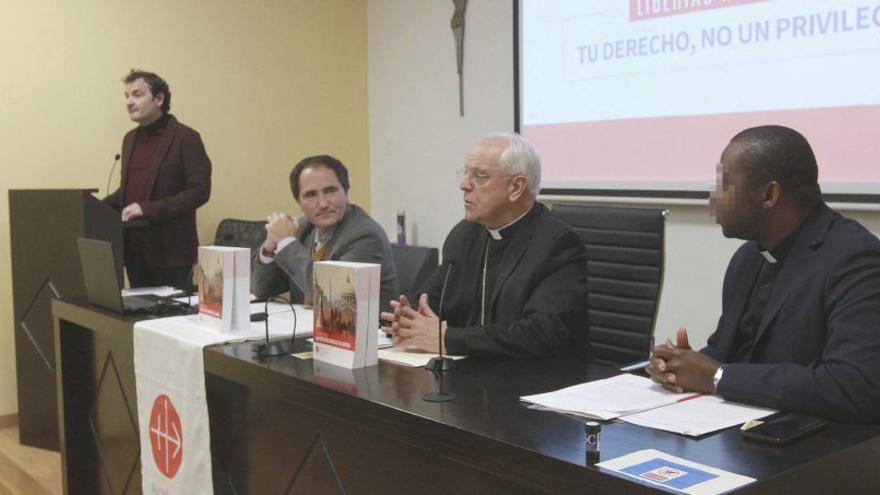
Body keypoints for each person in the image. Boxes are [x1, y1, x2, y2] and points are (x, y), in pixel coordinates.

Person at [646, 125, 880, 423]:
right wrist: (679, 366)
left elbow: (855, 385)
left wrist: (716, 376)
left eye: (725, 185)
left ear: (769, 194)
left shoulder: (854, 260)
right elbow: (725, 350)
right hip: (738, 431)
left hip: (812, 450)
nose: (713, 198)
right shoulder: (748, 257)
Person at [382, 132, 588, 358]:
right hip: (474, 372)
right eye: (466, 173)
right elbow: (430, 297)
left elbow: (542, 332)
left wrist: (449, 339)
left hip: (539, 379)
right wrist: (408, 320)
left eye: (480, 177)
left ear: (516, 187)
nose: (464, 185)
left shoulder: (556, 243)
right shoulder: (464, 235)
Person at [105, 70, 212, 289]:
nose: (129, 102)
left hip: (171, 255)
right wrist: (93, 207)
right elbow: (128, 191)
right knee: (139, 322)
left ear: (159, 99)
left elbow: (199, 191)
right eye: (126, 96)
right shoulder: (129, 139)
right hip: (134, 253)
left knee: (172, 322)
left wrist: (147, 209)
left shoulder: (185, 138)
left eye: (137, 94)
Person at [251, 155, 399, 310]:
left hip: (362, 332)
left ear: (346, 191)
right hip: (309, 329)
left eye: (330, 191)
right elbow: (262, 290)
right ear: (298, 202)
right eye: (311, 195)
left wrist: (286, 243)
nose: (322, 204)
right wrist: (270, 245)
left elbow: (333, 300)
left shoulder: (365, 236)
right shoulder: (301, 228)